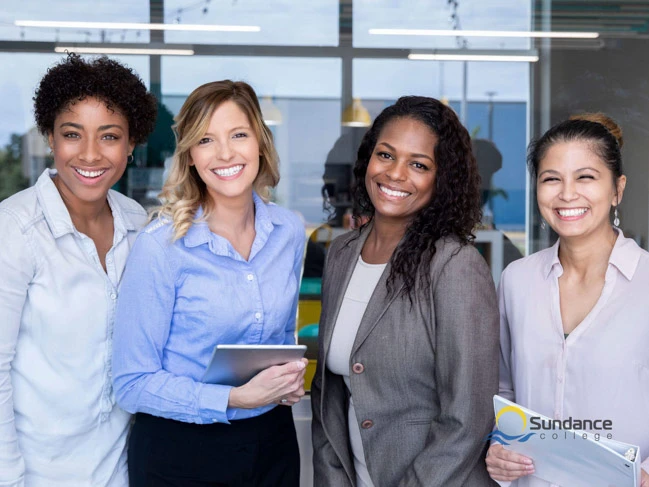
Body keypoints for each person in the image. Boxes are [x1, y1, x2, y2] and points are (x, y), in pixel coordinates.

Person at [112, 80, 307, 487]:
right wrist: (234, 399)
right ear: (191, 156)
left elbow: (279, 337)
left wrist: (285, 379)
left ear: (260, 141)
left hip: (272, 442)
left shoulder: (288, 230)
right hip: (181, 453)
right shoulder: (162, 245)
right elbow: (132, 384)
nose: (225, 153)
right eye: (205, 140)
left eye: (238, 134)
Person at [311, 96, 500, 487]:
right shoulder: (343, 254)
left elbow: (468, 418)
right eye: (386, 155)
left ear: (441, 178)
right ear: (368, 160)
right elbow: (327, 395)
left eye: (419, 164)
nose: (396, 174)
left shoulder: (454, 265)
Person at [0, 53, 157, 486]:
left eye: (109, 136)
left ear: (130, 144)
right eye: (73, 134)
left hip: (123, 469)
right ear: (51, 137)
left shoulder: (138, 224)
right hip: (37, 474)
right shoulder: (15, 230)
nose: (90, 154)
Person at [486, 113, 649, 487]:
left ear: (617, 189)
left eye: (586, 177)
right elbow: (504, 388)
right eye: (551, 179)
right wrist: (497, 445)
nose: (567, 194)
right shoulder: (517, 280)